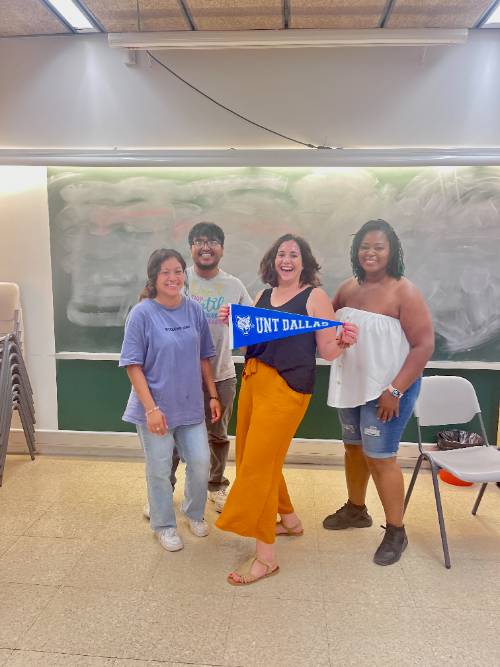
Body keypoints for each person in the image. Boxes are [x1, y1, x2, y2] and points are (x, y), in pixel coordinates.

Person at [216, 233, 358, 585]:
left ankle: (266, 558)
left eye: (294, 254)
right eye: (282, 253)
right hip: (252, 383)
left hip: (286, 391)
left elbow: (327, 351)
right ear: (273, 260)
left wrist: (344, 341)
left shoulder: (315, 297)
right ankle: (290, 521)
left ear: (304, 262)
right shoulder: (264, 295)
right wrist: (232, 320)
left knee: (259, 468)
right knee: (254, 456)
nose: (287, 259)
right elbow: (256, 337)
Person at [323, 219, 435, 566]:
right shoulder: (347, 288)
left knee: (380, 457)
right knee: (354, 449)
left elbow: (424, 345)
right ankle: (357, 509)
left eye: (378, 247)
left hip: (387, 391)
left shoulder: (405, 292)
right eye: (364, 246)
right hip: (352, 385)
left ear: (392, 252)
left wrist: (395, 391)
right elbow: (324, 325)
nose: (370, 253)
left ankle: (396, 530)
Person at [119, 248, 221, 552]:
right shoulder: (142, 313)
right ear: (154, 277)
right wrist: (151, 409)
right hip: (156, 410)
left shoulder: (194, 310)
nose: (173, 277)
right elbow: (132, 365)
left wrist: (213, 395)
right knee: (160, 469)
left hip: (190, 407)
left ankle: (193, 513)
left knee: (201, 463)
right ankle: (164, 525)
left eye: (178, 271)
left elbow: (205, 357)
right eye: (165, 272)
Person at [170, 222, 252, 512]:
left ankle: (216, 486)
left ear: (222, 249)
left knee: (217, 435)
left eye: (213, 242)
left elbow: (252, 329)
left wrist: (235, 320)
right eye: (200, 241)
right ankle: (163, 490)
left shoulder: (234, 285)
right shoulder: (178, 280)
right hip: (179, 377)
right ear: (191, 247)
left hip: (221, 374)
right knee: (175, 434)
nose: (206, 247)